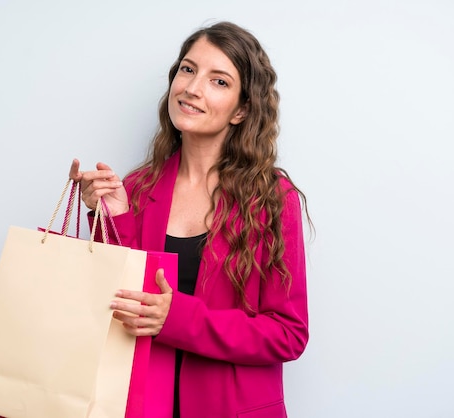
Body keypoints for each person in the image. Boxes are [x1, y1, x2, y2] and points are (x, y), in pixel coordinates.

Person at [70, 21, 309, 418]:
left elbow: (289, 333)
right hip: (137, 404)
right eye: (188, 69)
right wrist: (112, 218)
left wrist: (176, 318)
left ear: (243, 109)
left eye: (219, 81)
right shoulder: (137, 187)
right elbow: (113, 306)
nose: (193, 88)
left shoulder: (272, 200)